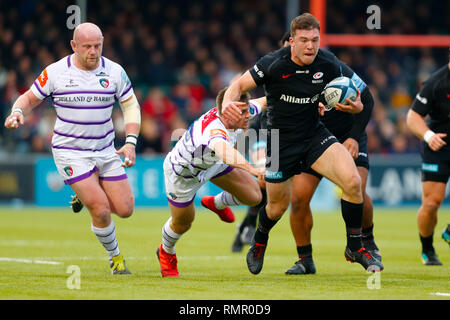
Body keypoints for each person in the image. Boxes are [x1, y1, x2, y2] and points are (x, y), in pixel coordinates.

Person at [222, 13, 383, 274]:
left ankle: (355, 246)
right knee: (276, 207)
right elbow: (238, 85)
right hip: (280, 141)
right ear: (292, 41)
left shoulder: (328, 62)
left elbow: (362, 96)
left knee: (353, 183)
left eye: (315, 40)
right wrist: (229, 103)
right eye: (304, 40)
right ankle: (260, 239)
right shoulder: (273, 63)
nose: (310, 46)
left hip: (314, 136)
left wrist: (358, 107)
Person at [4, 22, 141, 275]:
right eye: (87, 46)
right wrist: (17, 111)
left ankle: (88, 187)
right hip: (70, 151)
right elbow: (29, 98)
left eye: (97, 45)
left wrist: (130, 142)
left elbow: (131, 106)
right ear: (74, 46)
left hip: (105, 149)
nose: (93, 51)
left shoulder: (114, 71)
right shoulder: (56, 72)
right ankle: (116, 258)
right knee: (100, 208)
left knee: (125, 209)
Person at [156, 87, 266, 277]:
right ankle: (166, 251)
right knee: (183, 223)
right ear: (228, 112)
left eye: (248, 110)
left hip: (211, 164)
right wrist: (253, 169)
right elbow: (225, 152)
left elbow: (268, 100)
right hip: (184, 176)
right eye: (243, 112)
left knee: (255, 196)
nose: (248, 115)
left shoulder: (236, 111)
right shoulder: (213, 128)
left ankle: (215, 203)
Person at [406, 57, 450, 266]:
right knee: (432, 203)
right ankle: (428, 249)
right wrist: (428, 136)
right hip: (439, 145)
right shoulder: (435, 83)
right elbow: (412, 117)